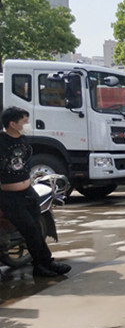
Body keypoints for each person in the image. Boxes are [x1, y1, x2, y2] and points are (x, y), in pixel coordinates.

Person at [0, 107, 72, 277]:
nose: (28, 124)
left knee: (36, 231)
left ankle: (42, 265)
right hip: (9, 198)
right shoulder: (1, 142)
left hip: (28, 192)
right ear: (12, 124)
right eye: (24, 121)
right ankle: (45, 263)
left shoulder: (24, 142)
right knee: (31, 230)